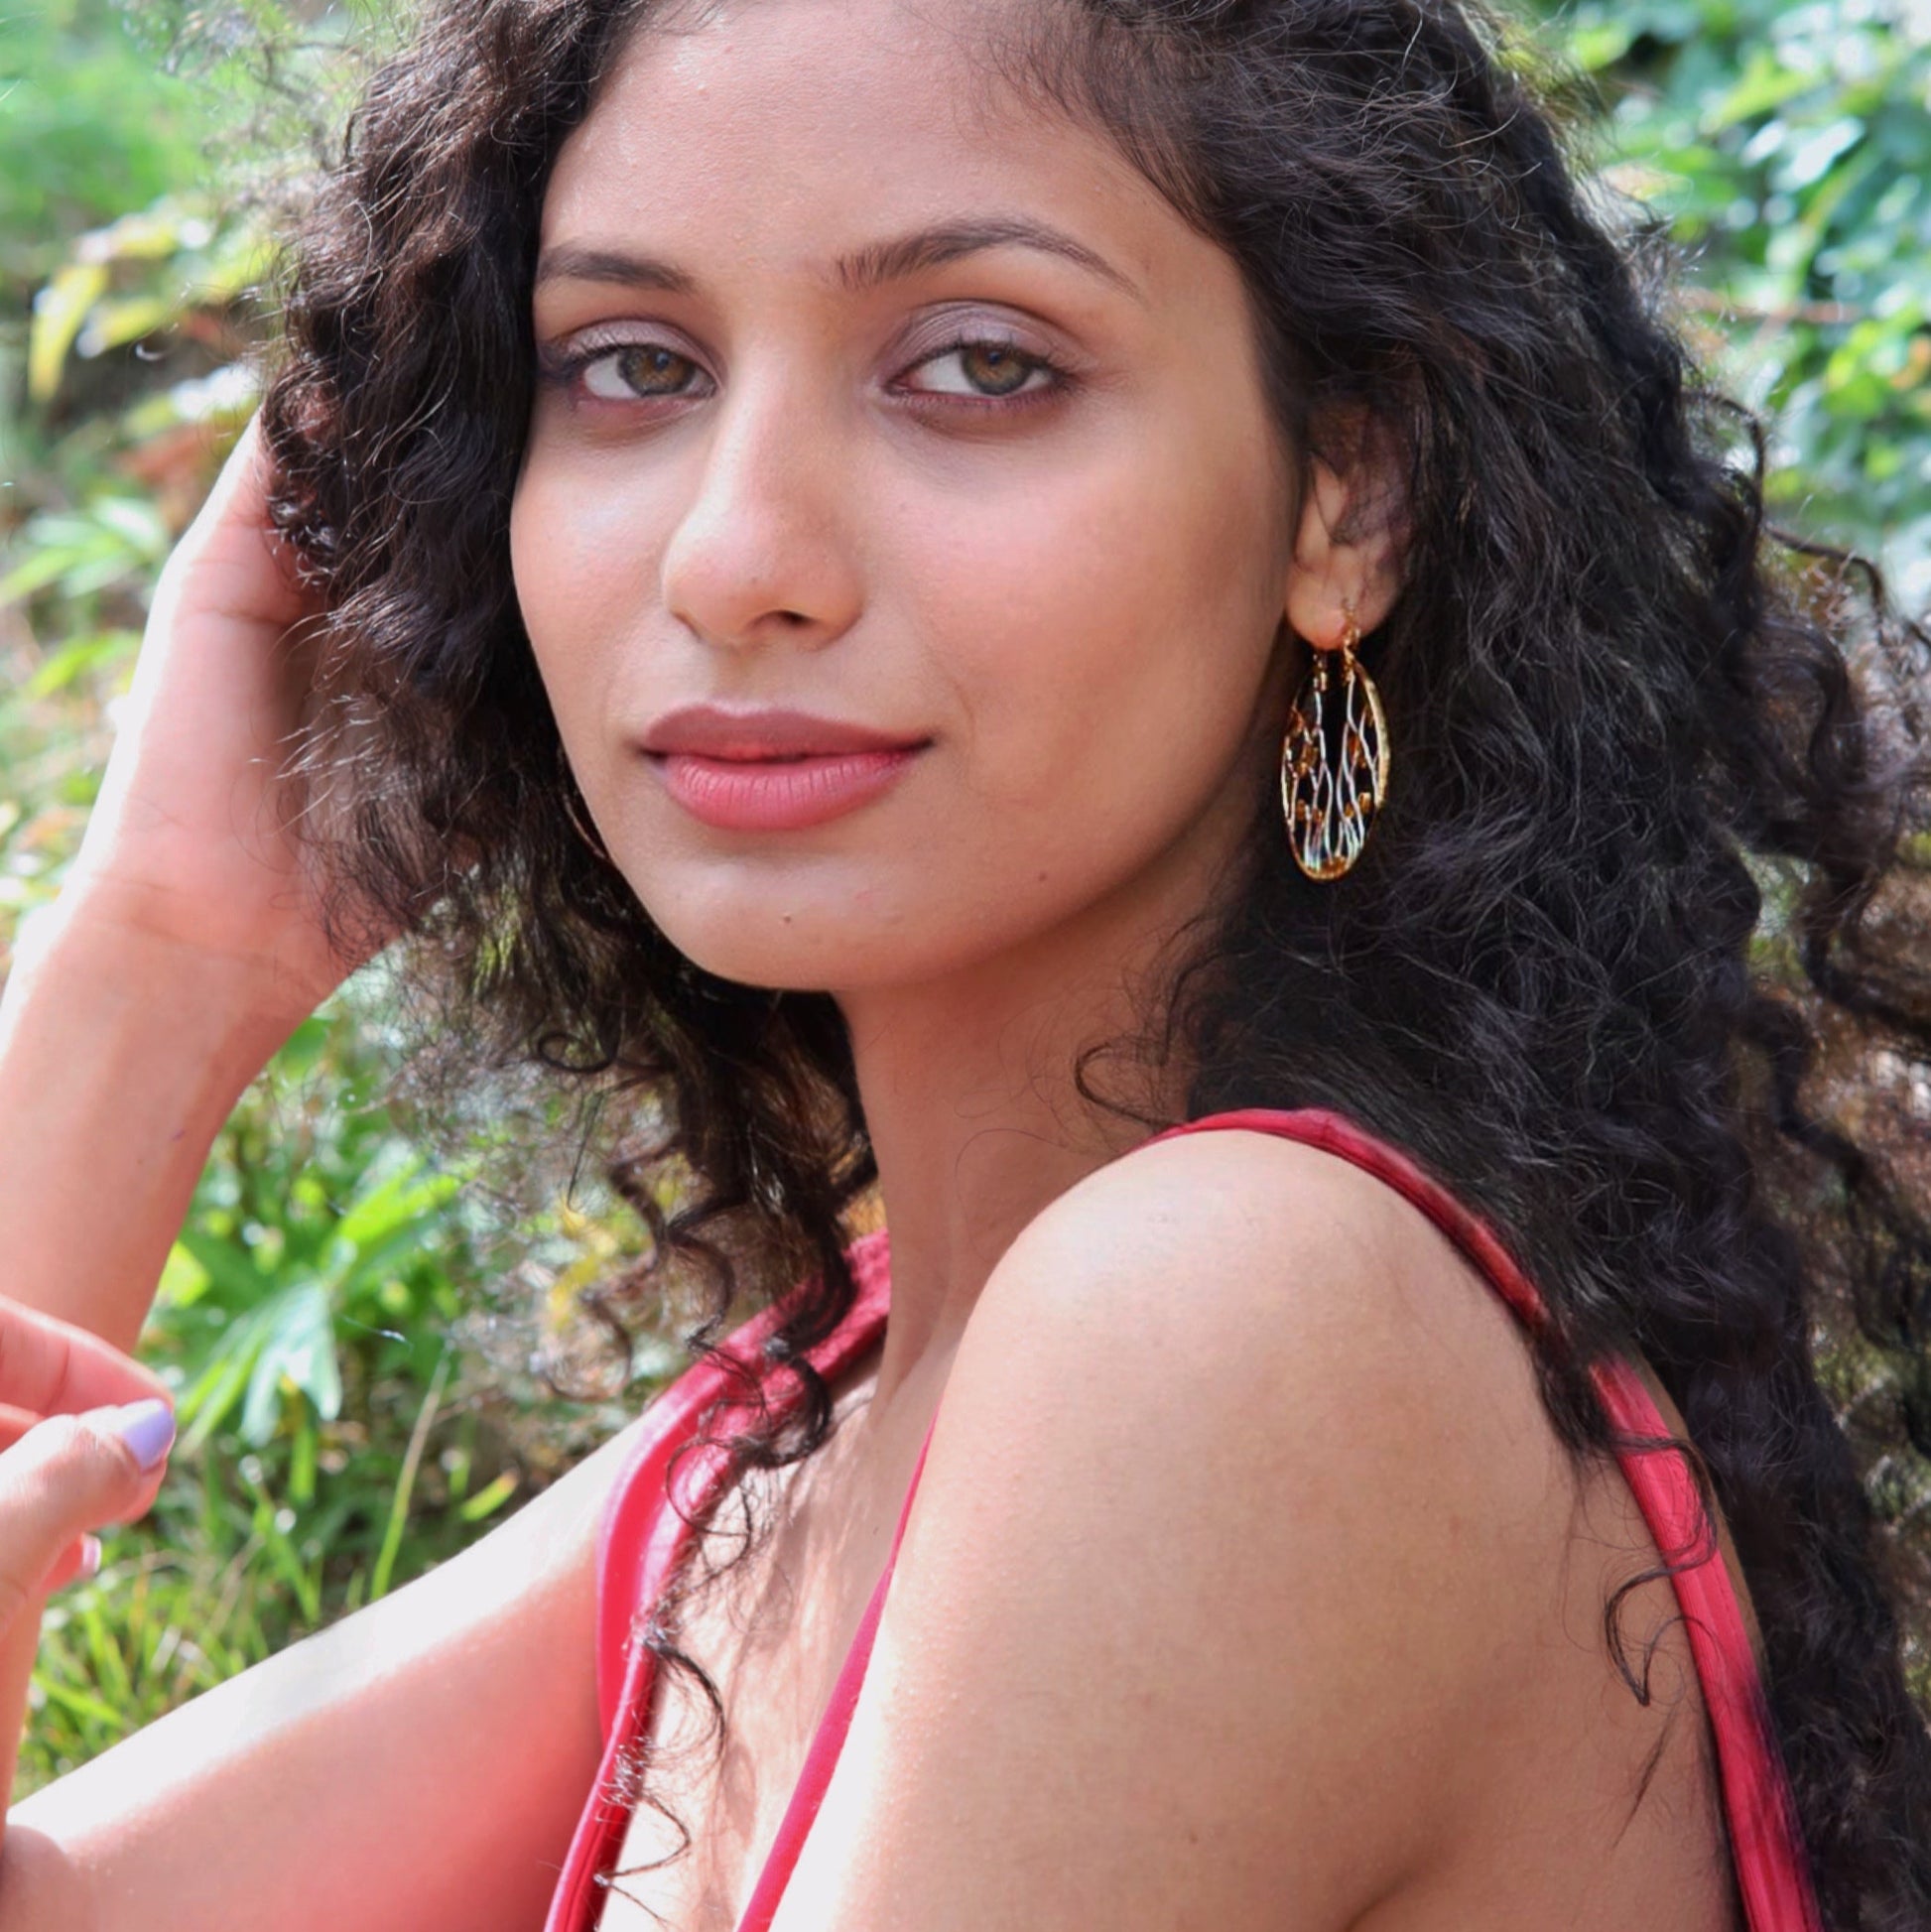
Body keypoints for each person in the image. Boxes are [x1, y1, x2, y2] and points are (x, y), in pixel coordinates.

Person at [0, 0, 1927, 1924]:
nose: (735, 552)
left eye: (983, 364)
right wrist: (166, 954)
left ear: (1352, 496)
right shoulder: (791, 1449)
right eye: (632, 363)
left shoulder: (1240, 1316)